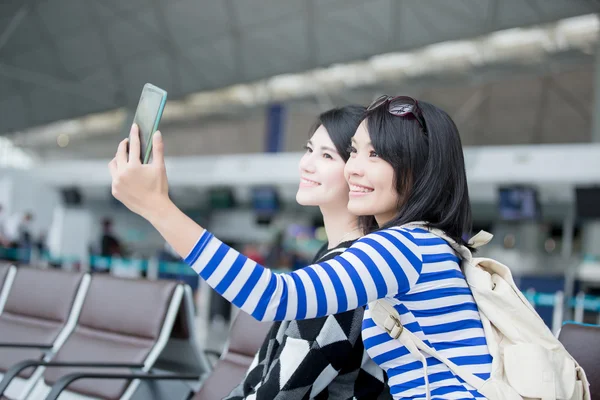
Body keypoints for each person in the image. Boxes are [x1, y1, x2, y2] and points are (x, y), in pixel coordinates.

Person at [109, 95, 492, 399]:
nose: (354, 168)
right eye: (354, 152)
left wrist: (157, 206)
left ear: (419, 170)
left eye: (375, 155)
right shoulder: (422, 243)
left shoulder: (402, 248)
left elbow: (272, 297)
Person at [227, 105, 390, 399]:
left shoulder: (351, 270)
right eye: (309, 149)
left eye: (326, 155)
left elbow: (284, 392)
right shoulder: (334, 254)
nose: (306, 164)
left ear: (357, 172)